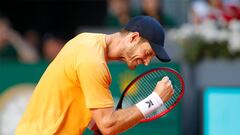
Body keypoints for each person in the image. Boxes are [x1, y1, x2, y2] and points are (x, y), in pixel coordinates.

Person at [15, 16, 174, 135]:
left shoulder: (86, 41)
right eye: (147, 53)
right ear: (133, 38)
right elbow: (108, 125)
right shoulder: (93, 62)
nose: (146, 62)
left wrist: (99, 125)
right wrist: (155, 99)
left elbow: (98, 122)